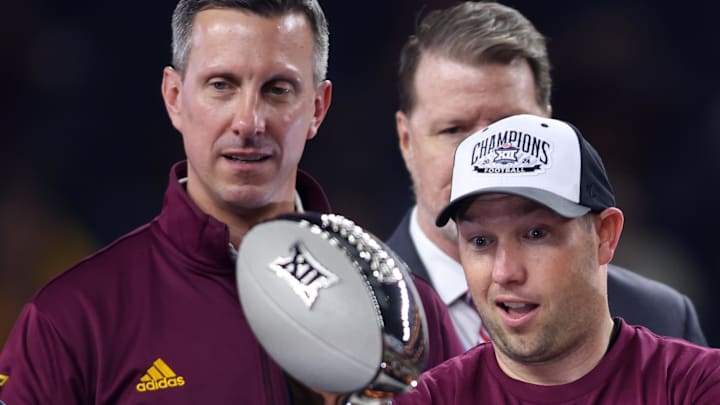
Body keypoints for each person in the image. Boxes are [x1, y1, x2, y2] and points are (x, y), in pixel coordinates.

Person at [0, 1, 461, 403]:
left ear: (318, 108)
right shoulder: (73, 320)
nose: (249, 121)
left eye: (278, 89)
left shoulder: (408, 321)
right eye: (222, 85)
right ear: (175, 98)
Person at [386, 0, 707, 350]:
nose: (482, 158)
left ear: (551, 129)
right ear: (406, 140)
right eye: (454, 130)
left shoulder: (660, 318)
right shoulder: (351, 313)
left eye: (511, 128)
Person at [393, 113, 720, 404]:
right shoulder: (430, 399)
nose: (505, 272)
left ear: (605, 235)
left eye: (536, 234)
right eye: (481, 241)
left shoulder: (696, 385)